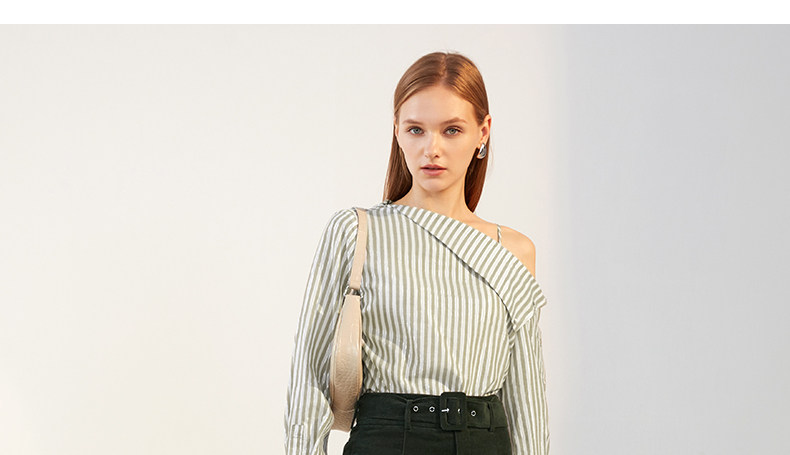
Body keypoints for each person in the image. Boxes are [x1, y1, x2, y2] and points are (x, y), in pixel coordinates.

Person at [284, 51, 549, 455]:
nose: (431, 149)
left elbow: (526, 399)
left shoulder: (513, 249)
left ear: (483, 132)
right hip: (389, 441)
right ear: (397, 131)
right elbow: (309, 376)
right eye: (415, 130)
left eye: (452, 130)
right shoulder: (356, 231)